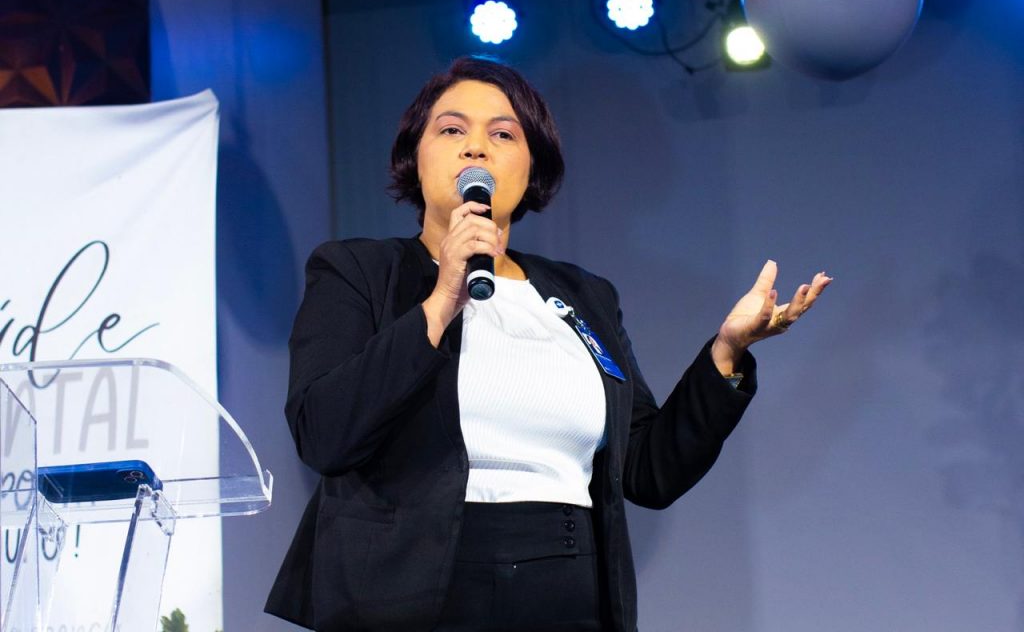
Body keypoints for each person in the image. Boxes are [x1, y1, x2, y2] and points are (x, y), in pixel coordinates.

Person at [265, 56, 832, 632]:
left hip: (566, 587)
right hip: (409, 593)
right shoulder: (358, 272)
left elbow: (647, 470)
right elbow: (324, 434)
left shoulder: (584, 295)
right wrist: (441, 300)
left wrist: (726, 353)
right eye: (452, 129)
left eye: (503, 134)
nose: (476, 148)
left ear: (532, 165)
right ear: (416, 155)